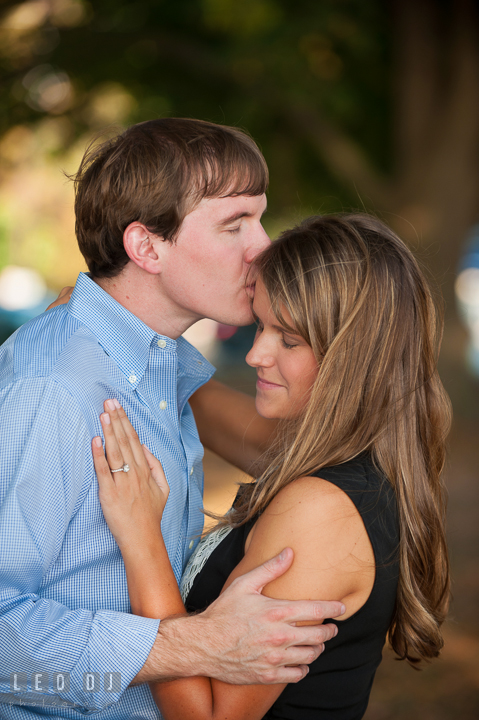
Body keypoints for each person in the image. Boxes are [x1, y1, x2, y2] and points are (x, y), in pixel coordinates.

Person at [0, 119, 344, 719]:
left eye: (259, 219)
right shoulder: (52, 384)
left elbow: (315, 459)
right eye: (234, 224)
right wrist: (196, 644)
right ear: (146, 247)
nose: (263, 247)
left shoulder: (164, 370)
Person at [91, 214, 452, 720]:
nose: (257, 353)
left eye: (289, 339)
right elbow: (200, 402)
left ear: (352, 356)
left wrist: (141, 535)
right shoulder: (346, 453)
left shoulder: (320, 509)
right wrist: (112, 330)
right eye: (260, 324)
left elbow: (210, 716)